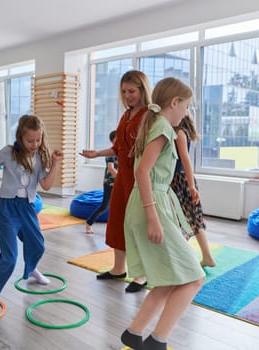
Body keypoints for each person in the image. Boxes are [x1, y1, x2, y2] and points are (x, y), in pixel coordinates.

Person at [121, 77, 205, 350]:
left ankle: (134, 334)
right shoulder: (162, 128)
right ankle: (157, 342)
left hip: (153, 202)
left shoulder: (161, 126)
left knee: (170, 279)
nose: (186, 113)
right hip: (149, 206)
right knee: (194, 277)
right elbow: (142, 172)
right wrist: (153, 217)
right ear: (175, 102)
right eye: (186, 106)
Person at [0, 114, 63, 307]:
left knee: (37, 245)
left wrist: (55, 164)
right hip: (8, 208)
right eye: (30, 140)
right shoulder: (8, 152)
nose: (35, 144)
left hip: (27, 207)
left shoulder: (41, 156)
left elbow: (47, 185)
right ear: (20, 137)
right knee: (9, 259)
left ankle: (31, 268)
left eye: (38, 139)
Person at [80, 70, 151, 293]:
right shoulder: (126, 115)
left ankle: (141, 275)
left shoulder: (149, 116)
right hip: (122, 178)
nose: (128, 95)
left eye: (132, 91)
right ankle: (118, 268)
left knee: (136, 225)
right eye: (124, 91)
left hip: (139, 178)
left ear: (142, 90)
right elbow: (119, 148)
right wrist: (97, 154)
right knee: (117, 221)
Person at [171, 113, 216, 267]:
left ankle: (190, 257)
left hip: (180, 180)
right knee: (191, 220)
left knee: (186, 220)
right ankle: (206, 257)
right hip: (182, 180)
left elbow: (185, 159)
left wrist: (190, 185)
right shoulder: (181, 131)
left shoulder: (179, 133)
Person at [85, 130, 118, 234]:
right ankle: (89, 223)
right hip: (109, 183)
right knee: (105, 206)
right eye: (117, 139)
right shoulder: (110, 153)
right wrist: (121, 178)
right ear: (113, 141)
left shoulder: (122, 151)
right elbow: (111, 169)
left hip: (119, 183)